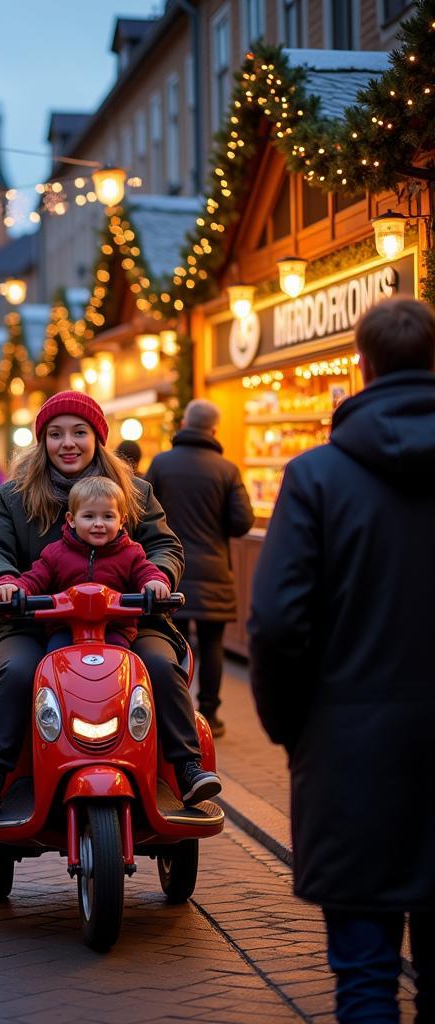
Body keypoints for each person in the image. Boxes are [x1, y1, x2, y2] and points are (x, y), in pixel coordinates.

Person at [248, 297, 435, 1022]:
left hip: (352, 753)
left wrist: (293, 727)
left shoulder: (318, 476)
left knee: (364, 976)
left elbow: (276, 622)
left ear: (361, 366)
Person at [0, 391, 219, 812]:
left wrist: (157, 580)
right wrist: (4, 581)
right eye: (56, 434)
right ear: (42, 441)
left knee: (159, 665)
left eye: (79, 432)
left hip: (131, 622)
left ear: (97, 438)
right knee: (18, 671)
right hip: (30, 622)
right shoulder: (15, 496)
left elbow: (163, 546)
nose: (68, 443)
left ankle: (186, 768)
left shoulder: (132, 492)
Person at [145, 400, 254, 737]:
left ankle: (172, 710)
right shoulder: (226, 469)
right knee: (212, 645)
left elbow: (139, 514)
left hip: (167, 573)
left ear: (184, 423)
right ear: (214, 430)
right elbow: (242, 522)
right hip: (214, 573)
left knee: (170, 642)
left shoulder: (161, 465)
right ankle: (211, 715)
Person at [0, 476, 171, 674]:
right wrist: (13, 587)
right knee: (54, 665)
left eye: (108, 517)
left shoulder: (131, 553)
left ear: (122, 521)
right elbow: (34, 578)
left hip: (114, 631)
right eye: (89, 517)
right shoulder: (55, 553)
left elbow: (146, 571)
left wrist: (155, 582)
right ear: (71, 520)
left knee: (120, 668)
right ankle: (50, 705)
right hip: (65, 631)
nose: (99, 524)